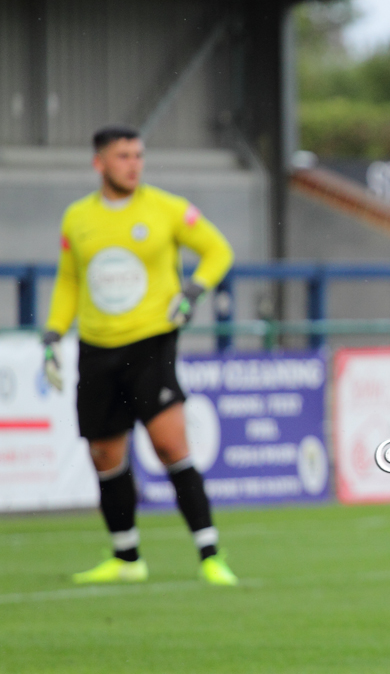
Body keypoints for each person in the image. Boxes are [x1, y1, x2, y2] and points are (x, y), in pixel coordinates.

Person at [43, 125, 238, 585]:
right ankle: (127, 558)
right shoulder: (77, 218)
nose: (134, 164)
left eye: (138, 155)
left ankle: (210, 554)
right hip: (96, 347)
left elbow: (218, 251)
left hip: (151, 342)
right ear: (99, 163)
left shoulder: (166, 209)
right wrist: (53, 334)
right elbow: (69, 279)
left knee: (170, 444)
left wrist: (192, 291)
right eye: (123, 156)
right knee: (105, 454)